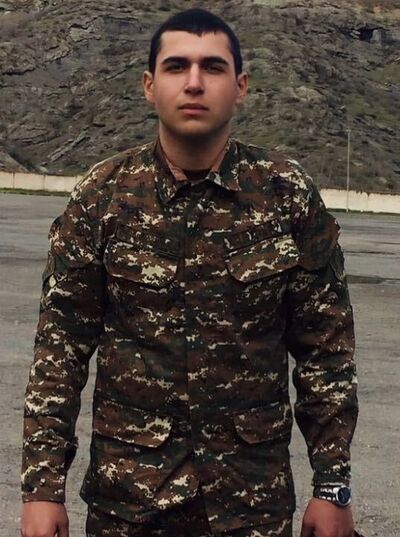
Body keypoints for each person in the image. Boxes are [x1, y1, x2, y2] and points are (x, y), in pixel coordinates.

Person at [20, 8, 358, 537]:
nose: (194, 82)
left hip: (251, 504)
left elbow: (326, 350)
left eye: (213, 67)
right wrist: (42, 489)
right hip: (129, 504)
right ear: (149, 86)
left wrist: (332, 486)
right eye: (176, 66)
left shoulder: (287, 194)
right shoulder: (102, 196)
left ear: (240, 86)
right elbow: (60, 350)